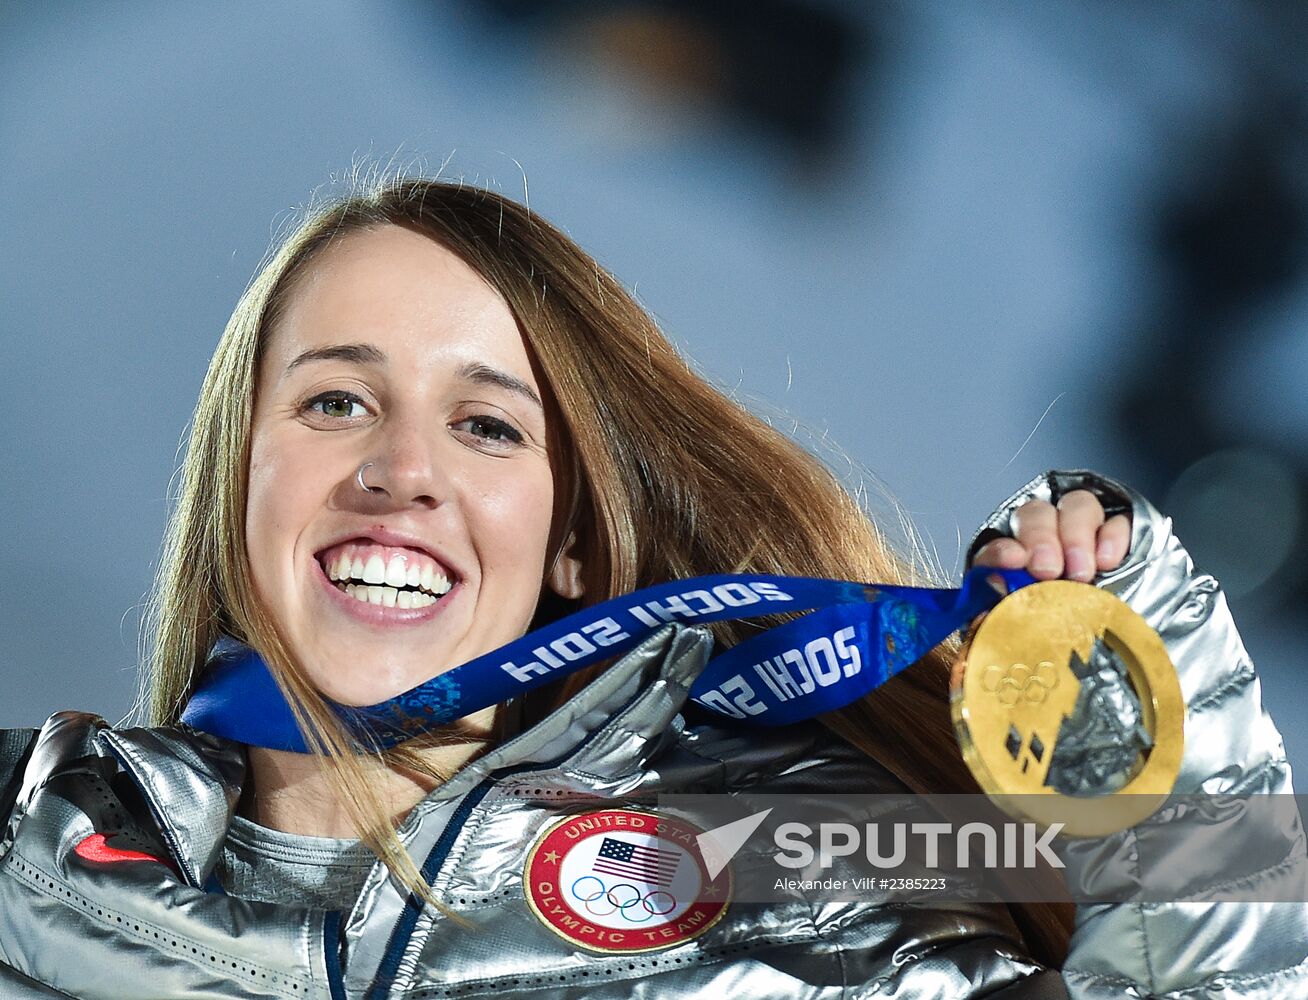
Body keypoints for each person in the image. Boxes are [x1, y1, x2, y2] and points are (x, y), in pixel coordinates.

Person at [0, 176, 1303, 999]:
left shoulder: (800, 895)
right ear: (240, 483)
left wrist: (1149, 688)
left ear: (572, 544)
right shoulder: (31, 862)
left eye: (487, 427)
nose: (400, 470)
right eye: (336, 401)